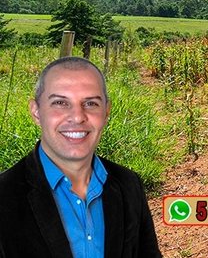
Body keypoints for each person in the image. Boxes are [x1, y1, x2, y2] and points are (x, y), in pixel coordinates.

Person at [0, 56, 162, 258]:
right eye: (60, 102)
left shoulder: (129, 185)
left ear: (106, 112)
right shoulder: (4, 195)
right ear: (36, 112)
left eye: (91, 103)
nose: (77, 117)